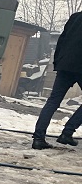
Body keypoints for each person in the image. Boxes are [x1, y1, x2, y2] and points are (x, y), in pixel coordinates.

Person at [32, 12, 82, 149]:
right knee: (53, 100)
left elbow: (62, 39)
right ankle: (67, 132)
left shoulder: (75, 17)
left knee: (53, 101)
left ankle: (38, 138)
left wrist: (57, 62)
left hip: (64, 64)